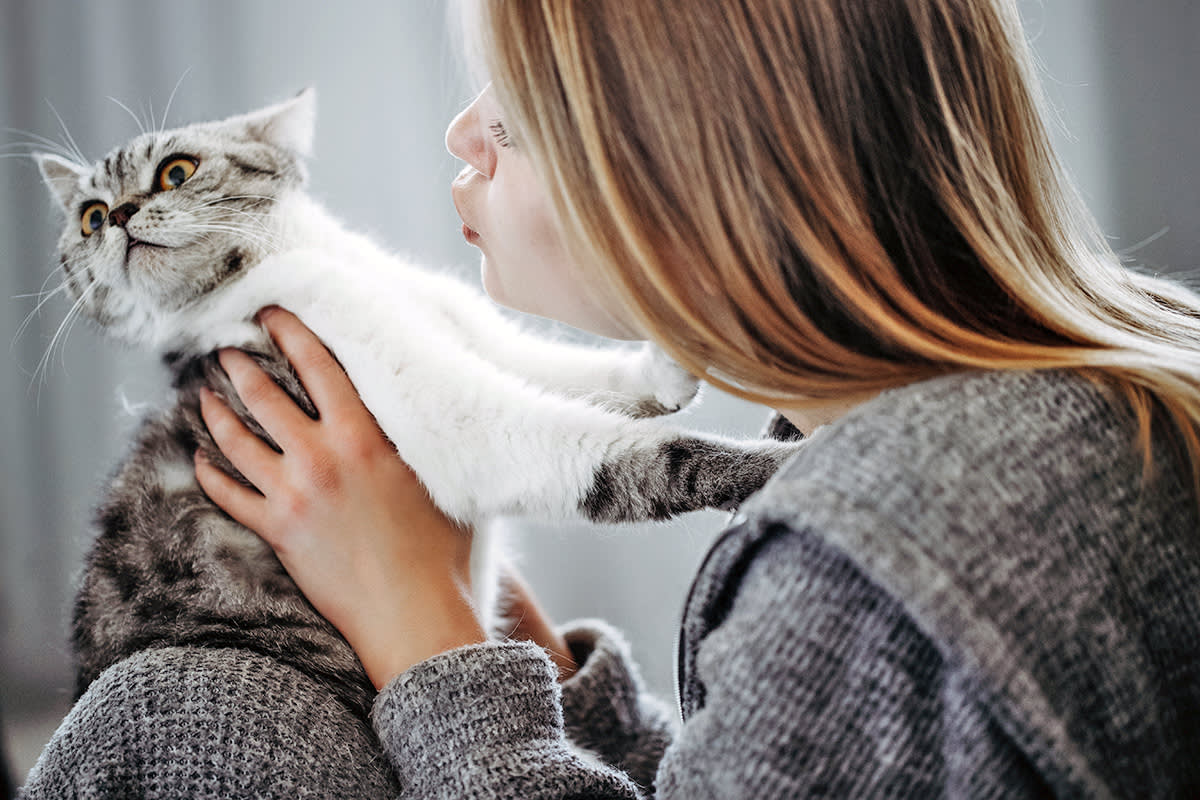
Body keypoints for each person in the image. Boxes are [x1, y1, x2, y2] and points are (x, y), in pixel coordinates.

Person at [20, 0, 1200, 797]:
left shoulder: (868, 569)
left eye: (514, 114)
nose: (460, 136)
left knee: (175, 706)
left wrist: (426, 642)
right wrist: (565, 693)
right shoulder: (1101, 404)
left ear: (694, 161)